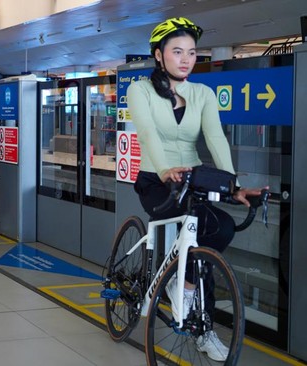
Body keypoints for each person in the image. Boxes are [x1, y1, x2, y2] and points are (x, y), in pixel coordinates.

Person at [127, 17, 266, 361]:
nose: (186, 59)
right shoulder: (139, 90)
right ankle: (182, 289)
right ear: (159, 55)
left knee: (222, 227)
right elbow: (147, 132)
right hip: (155, 179)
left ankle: (191, 303)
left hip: (192, 179)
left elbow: (216, 138)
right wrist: (163, 169)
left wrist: (231, 184)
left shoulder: (201, 94)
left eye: (191, 52)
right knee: (196, 225)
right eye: (177, 51)